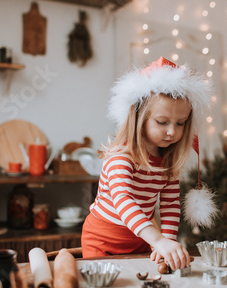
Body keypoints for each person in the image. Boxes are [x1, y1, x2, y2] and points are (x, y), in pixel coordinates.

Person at [81, 57, 215, 270]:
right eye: (162, 122)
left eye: (180, 123)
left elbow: (170, 204)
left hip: (139, 239)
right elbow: (123, 200)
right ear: (138, 118)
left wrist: (167, 242)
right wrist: (158, 240)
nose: (172, 131)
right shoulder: (121, 156)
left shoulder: (167, 162)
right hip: (102, 242)